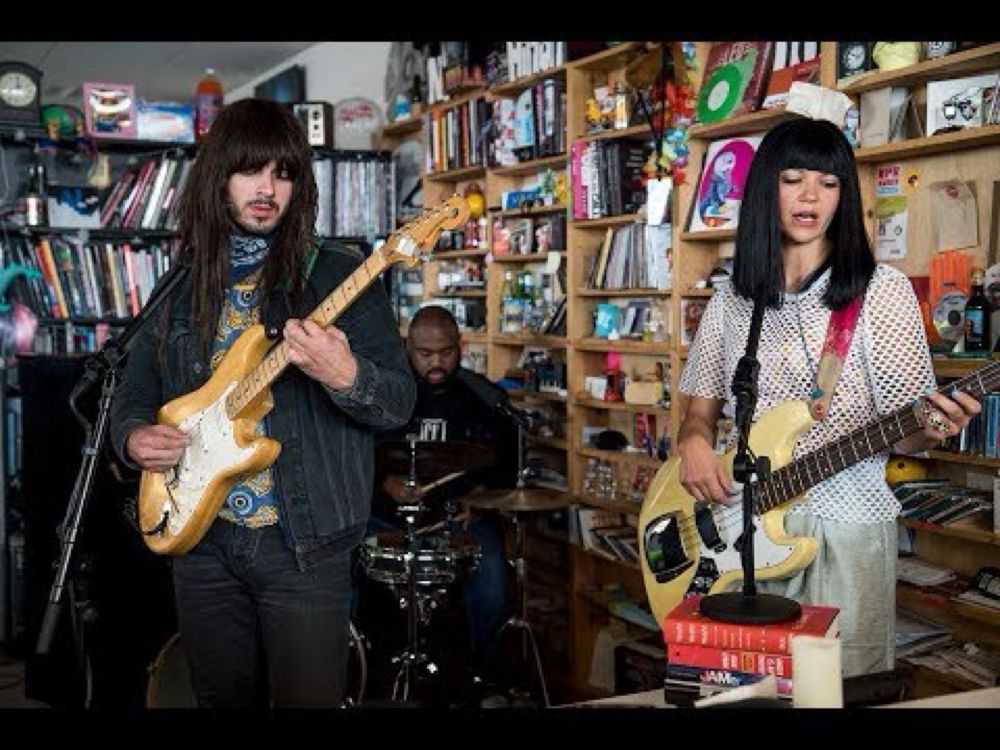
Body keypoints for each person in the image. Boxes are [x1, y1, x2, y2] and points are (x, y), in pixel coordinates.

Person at [108, 98, 416, 708]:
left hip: (303, 544)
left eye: (283, 173)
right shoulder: (182, 280)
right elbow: (134, 388)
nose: (267, 189)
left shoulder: (335, 274)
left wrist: (345, 373)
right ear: (219, 177)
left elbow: (398, 403)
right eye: (251, 171)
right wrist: (133, 436)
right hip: (200, 536)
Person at [676, 117, 980, 678]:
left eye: (829, 182)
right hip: (742, 534)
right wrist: (693, 444)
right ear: (768, 187)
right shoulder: (731, 303)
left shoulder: (879, 292)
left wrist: (934, 424)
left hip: (846, 527)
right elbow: (696, 416)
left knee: (845, 684)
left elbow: (908, 424)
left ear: (844, 195)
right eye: (792, 178)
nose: (810, 195)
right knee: (744, 687)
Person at [365, 305, 518, 700]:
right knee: (333, 574)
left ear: (461, 347)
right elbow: (352, 459)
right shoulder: (379, 395)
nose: (436, 362)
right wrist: (384, 482)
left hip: (459, 523)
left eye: (446, 353)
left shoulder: (484, 400)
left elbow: (505, 473)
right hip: (387, 521)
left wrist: (480, 501)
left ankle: (485, 682)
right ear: (407, 348)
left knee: (493, 587)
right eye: (424, 354)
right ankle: (358, 675)